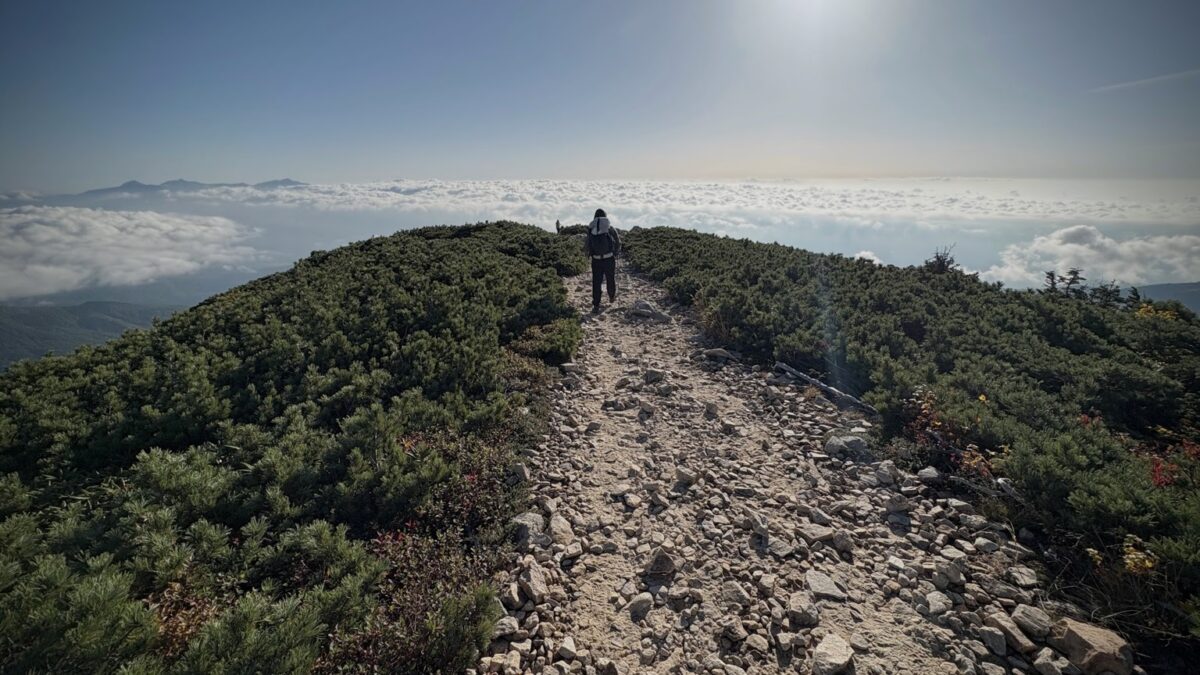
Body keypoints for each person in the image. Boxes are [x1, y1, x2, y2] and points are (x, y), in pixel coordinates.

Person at [583, 208, 620, 313]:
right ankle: (611, 296)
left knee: (596, 282)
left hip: (596, 260)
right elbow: (618, 242)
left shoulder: (591, 229)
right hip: (609, 258)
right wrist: (615, 253)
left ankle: (596, 304)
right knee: (610, 278)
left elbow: (587, 245)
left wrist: (588, 255)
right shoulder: (610, 228)